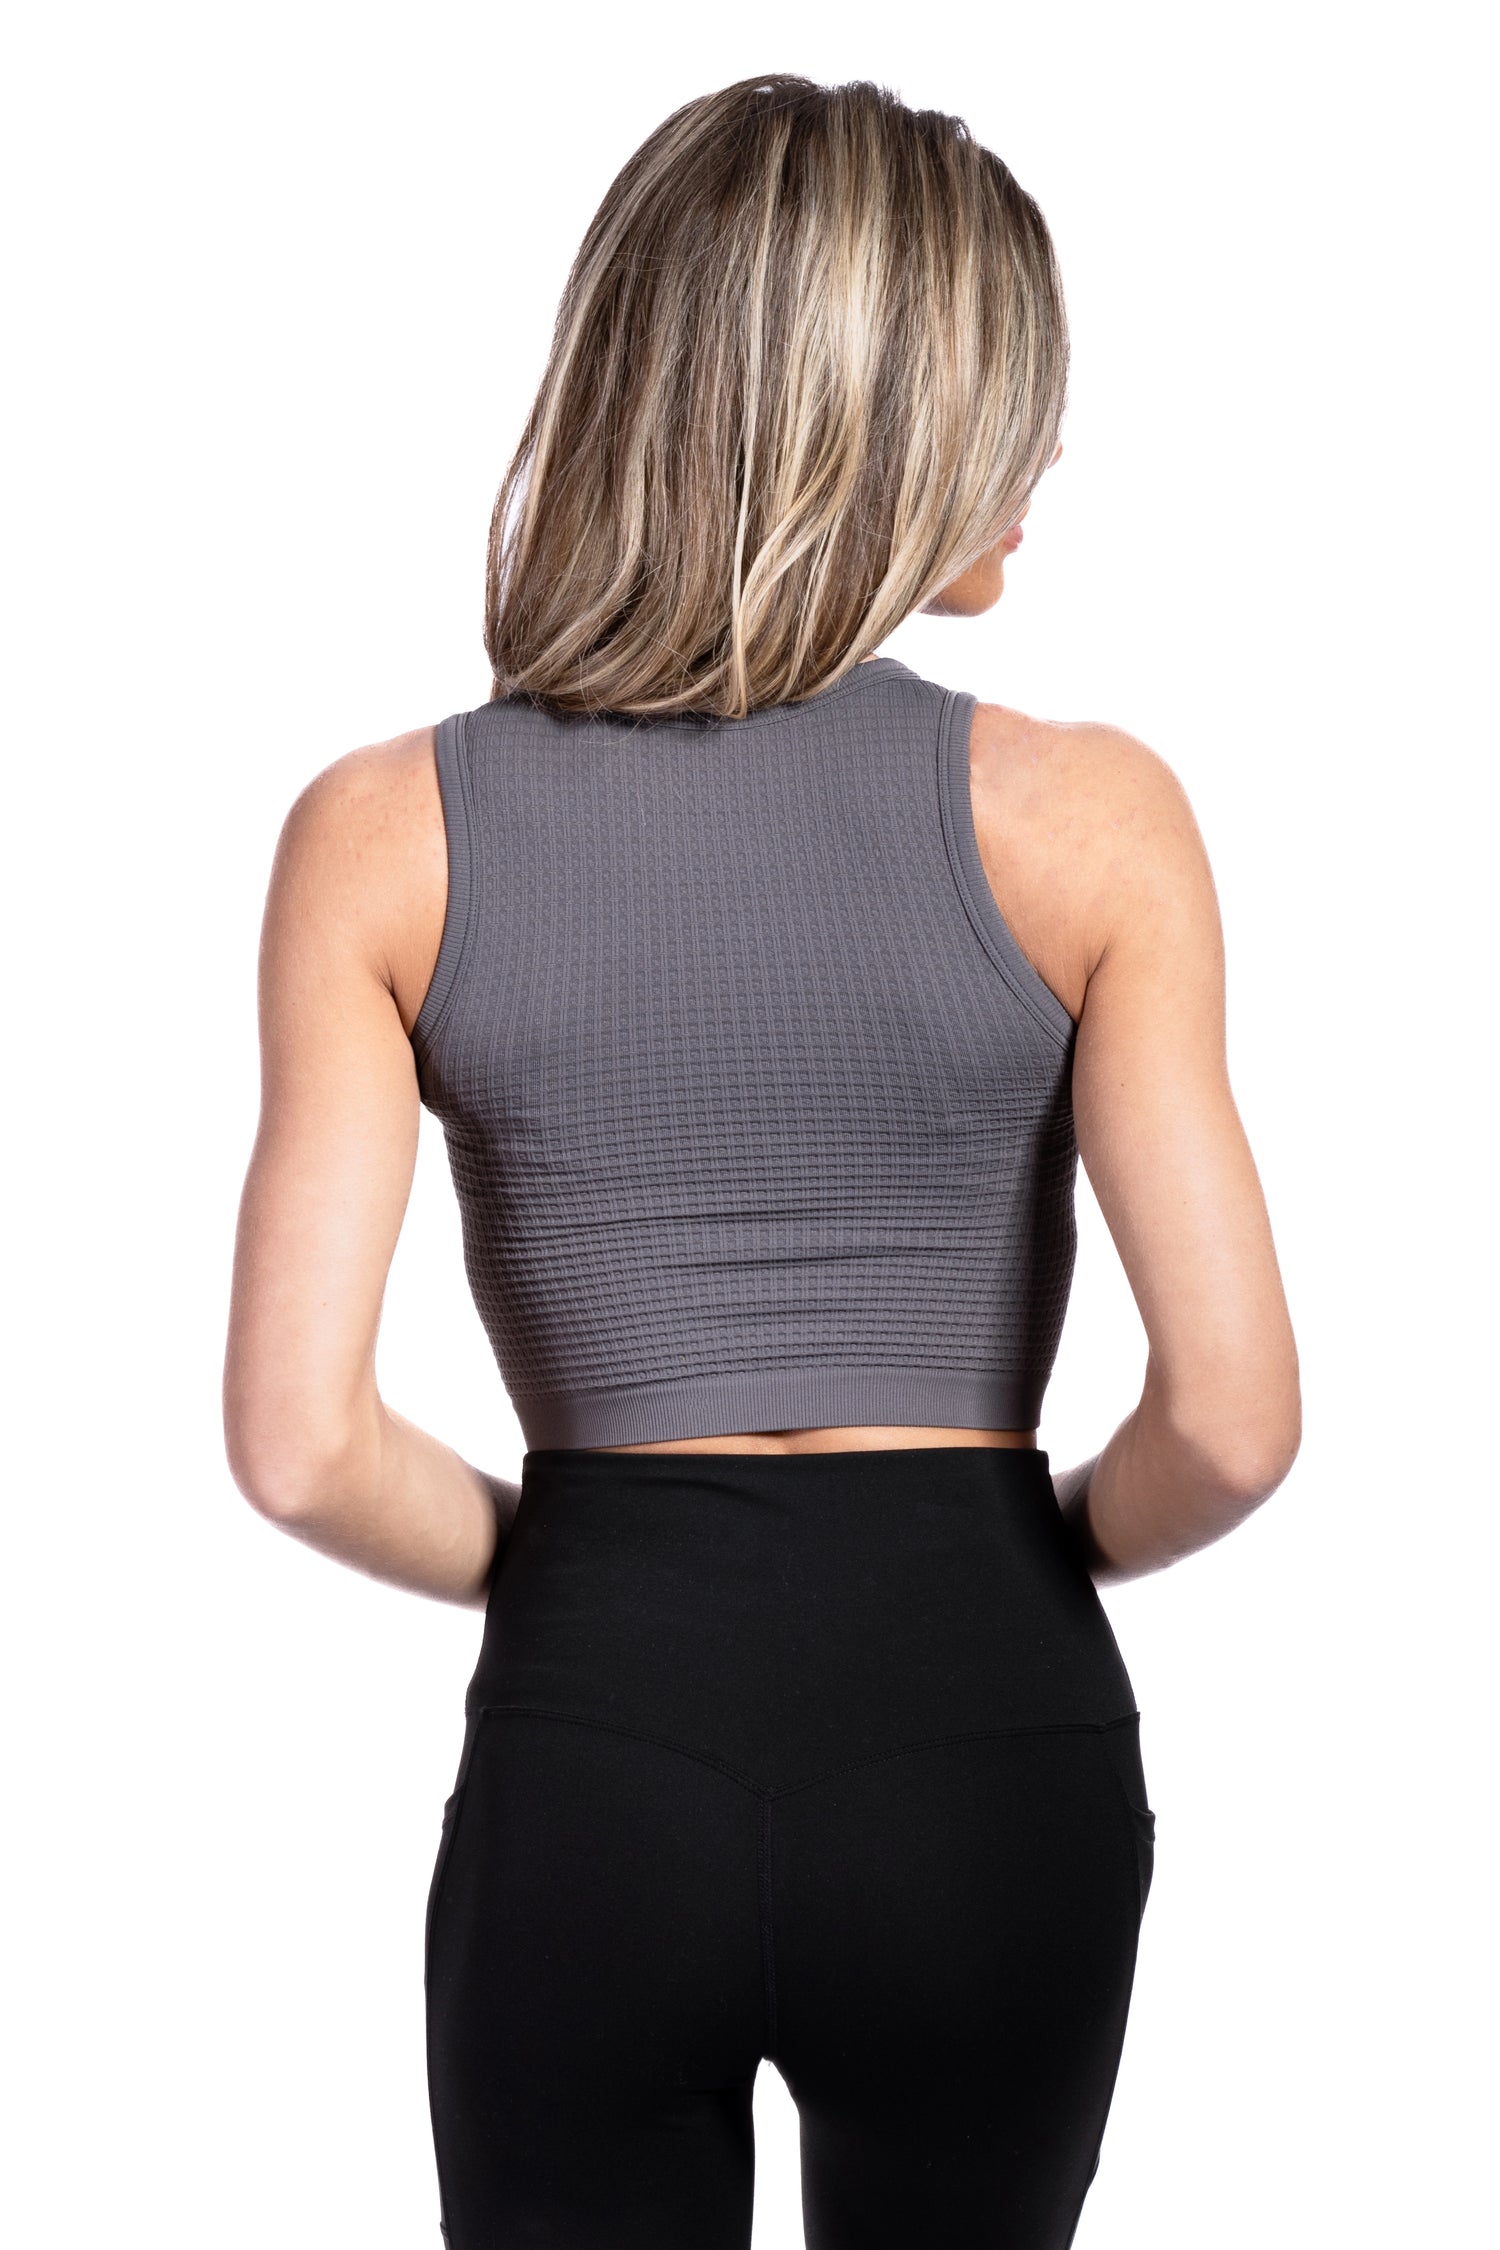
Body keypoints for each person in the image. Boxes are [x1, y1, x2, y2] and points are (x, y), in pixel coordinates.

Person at [223, 71, 1300, 2250]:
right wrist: (1017, 1548)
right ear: (885, 420)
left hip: (599, 1735)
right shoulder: (1094, 822)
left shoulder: (382, 835)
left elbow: (301, 1445)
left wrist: (590, 1565)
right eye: (1014, 397)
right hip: (986, 1733)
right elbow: (1236, 1425)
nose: (1050, 456)